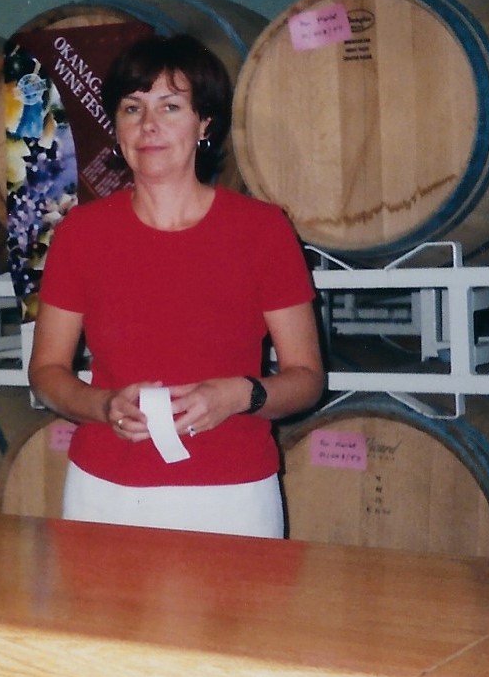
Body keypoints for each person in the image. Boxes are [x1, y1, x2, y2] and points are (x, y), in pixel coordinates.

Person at [27, 33, 325, 538]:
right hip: (104, 491)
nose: (149, 126)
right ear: (116, 127)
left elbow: (307, 378)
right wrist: (102, 405)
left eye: (170, 106)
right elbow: (47, 371)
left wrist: (240, 395)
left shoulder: (262, 229)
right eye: (132, 108)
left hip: (231, 495)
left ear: (204, 123)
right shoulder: (81, 232)